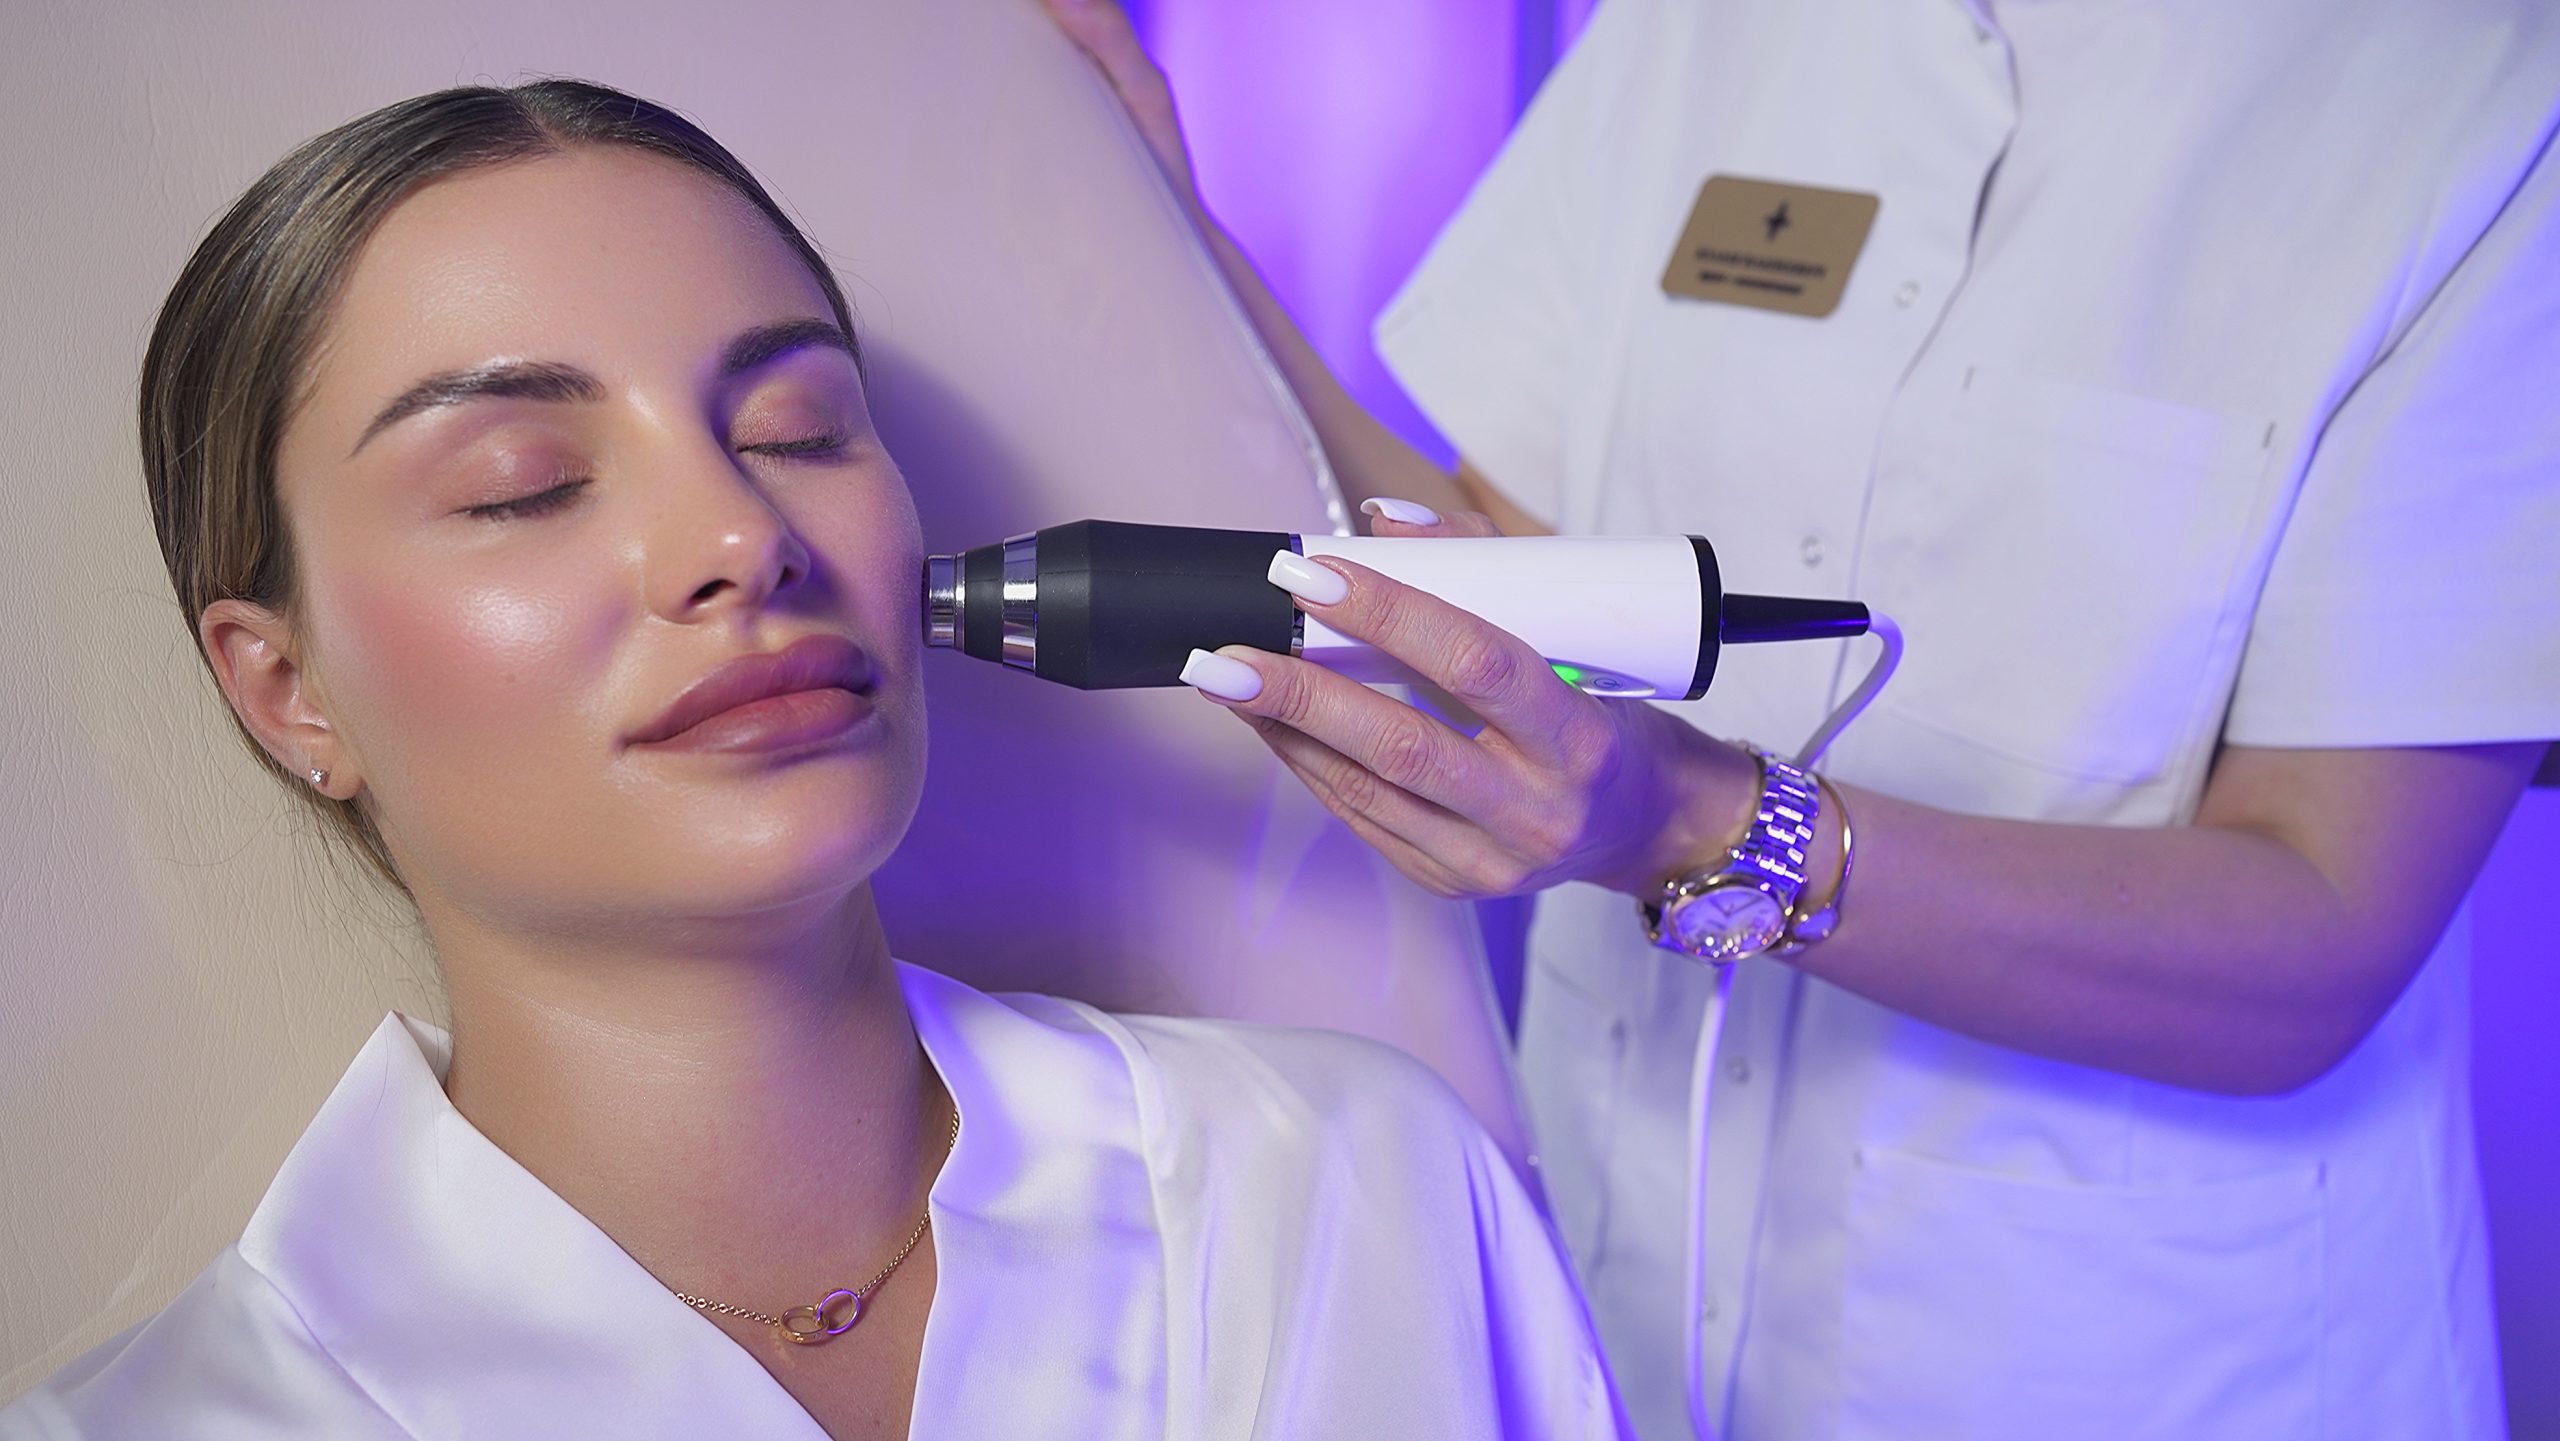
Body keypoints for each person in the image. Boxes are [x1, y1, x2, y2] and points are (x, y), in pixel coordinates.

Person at [0, 79, 1628, 1440]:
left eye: (796, 430)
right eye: (521, 481)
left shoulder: (1363, 1188)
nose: (739, 534)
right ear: (287, 689)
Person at [1044, 0, 2560, 1436]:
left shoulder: (2486, 97)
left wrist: (1699, 826)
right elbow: (1499, 577)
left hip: (2129, 1355)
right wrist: (1171, 224)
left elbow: (2322, 925)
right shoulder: (1703, 27)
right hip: (1614, 1287)